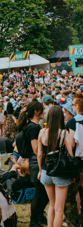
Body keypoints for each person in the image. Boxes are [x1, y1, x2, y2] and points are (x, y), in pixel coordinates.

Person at [37, 106, 73, 227]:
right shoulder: (64, 133)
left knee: (51, 205)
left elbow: (40, 154)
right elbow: (70, 154)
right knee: (59, 208)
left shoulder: (42, 132)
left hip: (46, 171)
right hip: (60, 172)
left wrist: (40, 170)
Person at [17, 101, 48, 227]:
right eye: (42, 110)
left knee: (44, 193)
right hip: (36, 162)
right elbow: (36, 149)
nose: (44, 112)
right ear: (36, 112)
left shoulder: (30, 126)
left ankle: (39, 216)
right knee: (40, 192)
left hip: (35, 162)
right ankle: (34, 221)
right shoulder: (33, 128)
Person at [63, 92, 83, 227]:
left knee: (71, 195)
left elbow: (71, 144)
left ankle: (74, 222)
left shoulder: (73, 121)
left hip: (77, 161)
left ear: (76, 106)